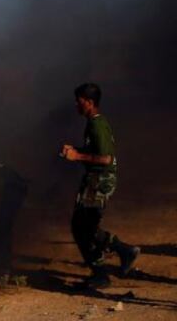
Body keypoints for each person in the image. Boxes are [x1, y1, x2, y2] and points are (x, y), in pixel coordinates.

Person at [60, 83, 139, 289]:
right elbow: (96, 153)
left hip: (100, 180)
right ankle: (120, 253)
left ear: (89, 102)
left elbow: (105, 158)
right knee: (84, 226)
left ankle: (104, 269)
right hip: (96, 179)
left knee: (81, 227)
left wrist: (77, 155)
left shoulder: (97, 124)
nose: (76, 105)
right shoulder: (94, 123)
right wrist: (75, 151)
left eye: (79, 101)